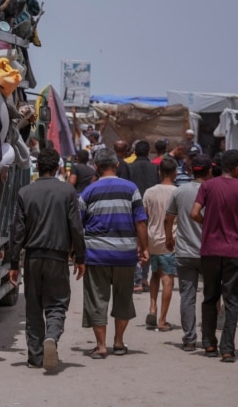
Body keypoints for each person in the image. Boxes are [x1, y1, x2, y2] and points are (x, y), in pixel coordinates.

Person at [9, 148, 86, 370]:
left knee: (33, 307)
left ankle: (35, 357)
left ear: (38, 168)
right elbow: (76, 227)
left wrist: (14, 263)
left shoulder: (25, 192)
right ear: (57, 168)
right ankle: (51, 336)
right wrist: (80, 257)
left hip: (33, 257)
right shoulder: (67, 191)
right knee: (57, 304)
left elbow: (17, 231)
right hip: (58, 257)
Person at [79, 148, 149, 359]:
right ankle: (118, 342)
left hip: (96, 254)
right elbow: (140, 221)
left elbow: (77, 224)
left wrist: (75, 253)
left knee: (96, 299)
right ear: (117, 165)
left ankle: (101, 346)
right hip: (125, 254)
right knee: (124, 298)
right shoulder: (131, 189)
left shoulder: (88, 192)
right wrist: (144, 248)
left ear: (96, 167)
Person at [191, 149, 238, 362]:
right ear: (236, 169)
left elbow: (194, 213)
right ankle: (227, 348)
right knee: (232, 300)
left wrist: (207, 224)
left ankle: (209, 343)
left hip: (209, 250)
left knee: (210, 297)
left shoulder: (207, 186)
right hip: (233, 251)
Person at [165, 153, 211, 351]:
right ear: (209, 170)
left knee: (187, 296)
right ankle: (209, 340)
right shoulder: (214, 190)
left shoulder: (180, 191)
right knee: (210, 296)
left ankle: (190, 339)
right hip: (210, 251)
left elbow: (169, 218)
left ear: (191, 170)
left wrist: (169, 238)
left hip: (184, 251)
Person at [143, 158, 179, 332]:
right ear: (175, 173)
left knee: (155, 274)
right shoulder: (177, 192)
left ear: (159, 172)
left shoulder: (149, 192)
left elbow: (143, 217)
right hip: (169, 241)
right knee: (168, 280)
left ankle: (152, 307)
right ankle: (162, 320)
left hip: (151, 239)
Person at [127, 140, 160, 293]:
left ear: (135, 152)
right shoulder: (155, 168)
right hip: (151, 211)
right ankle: (144, 277)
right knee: (147, 244)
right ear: (148, 152)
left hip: (133, 211)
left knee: (136, 245)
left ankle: (137, 279)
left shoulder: (129, 168)